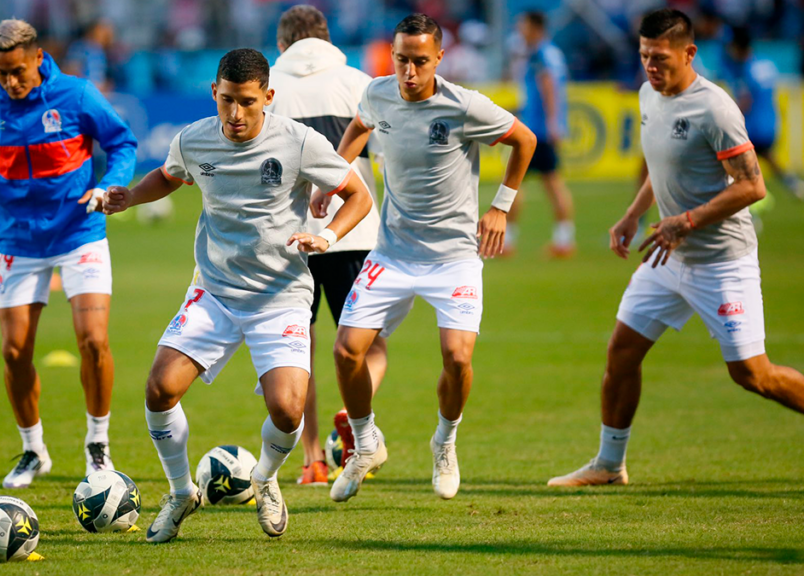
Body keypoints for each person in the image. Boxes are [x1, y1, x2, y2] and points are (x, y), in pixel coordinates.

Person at [102, 48, 373, 542]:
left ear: (268, 96)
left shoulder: (298, 141)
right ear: (214, 92)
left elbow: (359, 195)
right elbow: (169, 175)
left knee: (288, 410)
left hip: (281, 296)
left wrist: (327, 237)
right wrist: (130, 196)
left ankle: (265, 479)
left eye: (247, 102)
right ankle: (182, 492)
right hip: (215, 291)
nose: (235, 114)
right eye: (226, 100)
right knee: (159, 389)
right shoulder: (195, 139)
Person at [549, 9, 804, 487]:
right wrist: (633, 214)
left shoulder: (716, 108)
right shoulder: (650, 92)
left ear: (689, 53)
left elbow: (752, 186)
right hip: (668, 257)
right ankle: (609, 464)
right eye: (644, 55)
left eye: (660, 57)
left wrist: (685, 221)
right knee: (621, 353)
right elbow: (659, 164)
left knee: (754, 375)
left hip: (721, 262)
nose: (649, 65)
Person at [0, 19, 138, 489]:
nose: (10, 82)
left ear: (38, 58)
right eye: (1, 73)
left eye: (17, 71)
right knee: (15, 350)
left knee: (94, 341)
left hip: (81, 232)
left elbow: (122, 143)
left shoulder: (77, 95)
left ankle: (97, 445)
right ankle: (32, 449)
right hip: (19, 241)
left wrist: (106, 186)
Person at [329, 14, 536, 502]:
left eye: (420, 61)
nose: (409, 71)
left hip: (454, 257)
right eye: (402, 59)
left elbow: (523, 140)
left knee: (458, 358)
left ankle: (445, 441)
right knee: (345, 350)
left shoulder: (463, 105)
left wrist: (500, 208)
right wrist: (334, 179)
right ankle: (365, 444)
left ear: (439, 58)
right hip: (393, 252)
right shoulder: (378, 93)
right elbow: (359, 125)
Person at [266, 4, 386, 486]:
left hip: (291, 235)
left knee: (302, 349)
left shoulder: (269, 84)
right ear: (327, 37)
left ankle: (312, 458)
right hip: (355, 228)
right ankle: (353, 412)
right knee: (368, 344)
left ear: (283, 43)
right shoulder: (358, 81)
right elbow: (383, 155)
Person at [505, 11, 575, 258]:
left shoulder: (542, 54)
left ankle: (509, 240)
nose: (519, 31)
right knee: (547, 183)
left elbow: (549, 88)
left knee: (520, 182)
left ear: (535, 27)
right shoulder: (545, 53)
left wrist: (554, 124)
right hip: (536, 127)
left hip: (538, 130)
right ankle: (563, 239)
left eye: (522, 26)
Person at [722, 27, 803, 201]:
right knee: (767, 159)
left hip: (752, 127)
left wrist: (727, 116)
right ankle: (793, 185)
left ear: (738, 48)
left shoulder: (745, 70)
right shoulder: (767, 64)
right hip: (770, 124)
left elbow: (746, 101)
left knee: (732, 166)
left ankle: (754, 203)